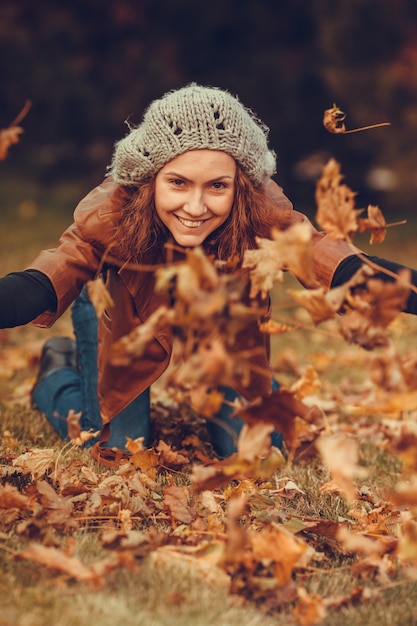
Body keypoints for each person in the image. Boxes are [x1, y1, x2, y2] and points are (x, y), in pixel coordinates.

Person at [1, 83, 416, 467]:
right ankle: (57, 372)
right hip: (122, 317)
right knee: (116, 449)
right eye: (178, 183)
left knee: (253, 454)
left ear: (238, 186)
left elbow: (333, 261)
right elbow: (50, 275)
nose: (196, 207)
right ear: (151, 180)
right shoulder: (114, 213)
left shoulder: (259, 211)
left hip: (222, 327)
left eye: (217, 186)